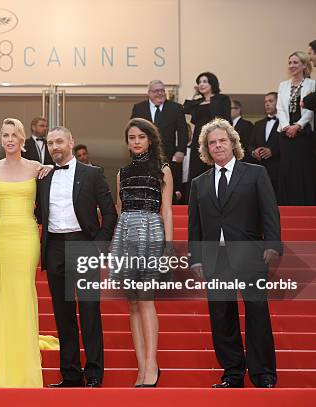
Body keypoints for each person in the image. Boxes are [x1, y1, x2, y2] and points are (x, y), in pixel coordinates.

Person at [188, 118, 281, 389]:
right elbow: (195, 225)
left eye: (222, 141)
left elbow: (269, 213)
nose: (218, 146)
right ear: (206, 148)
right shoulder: (198, 183)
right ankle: (232, 373)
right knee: (221, 315)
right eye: (212, 143)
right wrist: (195, 257)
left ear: (233, 143)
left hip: (251, 255)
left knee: (257, 312)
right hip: (215, 259)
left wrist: (272, 245)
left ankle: (263, 374)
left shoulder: (255, 173)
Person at [36, 126, 117, 388]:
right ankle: (70, 374)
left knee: (90, 312)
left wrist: (98, 247)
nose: (55, 147)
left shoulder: (92, 174)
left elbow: (110, 214)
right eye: (50, 143)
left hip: (84, 244)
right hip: (54, 246)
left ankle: (94, 373)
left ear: (71, 142)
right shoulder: (43, 177)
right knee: (63, 314)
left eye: (59, 141)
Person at [0, 118, 53, 388]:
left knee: (21, 292)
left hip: (25, 237)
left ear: (23, 140)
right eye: (5, 135)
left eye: (14, 135)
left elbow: (57, 180)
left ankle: (22, 366)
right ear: (1, 139)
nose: (9, 139)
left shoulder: (37, 167)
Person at [109, 118, 173, 387]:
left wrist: (169, 247)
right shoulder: (121, 172)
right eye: (131, 137)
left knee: (145, 300)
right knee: (132, 303)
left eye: (141, 137)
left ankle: (151, 365)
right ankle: (140, 367)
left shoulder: (163, 169)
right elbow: (119, 209)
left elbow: (167, 210)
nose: (136, 141)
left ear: (150, 139)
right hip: (126, 236)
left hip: (151, 233)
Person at [131, 80, 188, 203]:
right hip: (144, 156)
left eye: (162, 90)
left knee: (168, 191)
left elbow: (183, 131)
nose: (160, 93)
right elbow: (132, 130)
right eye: (156, 91)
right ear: (149, 93)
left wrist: (181, 151)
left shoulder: (175, 108)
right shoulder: (139, 108)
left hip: (168, 156)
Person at [276, 51, 316, 205]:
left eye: (295, 62)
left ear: (304, 65)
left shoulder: (312, 84)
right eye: (290, 62)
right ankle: (286, 205)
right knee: (287, 169)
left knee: (303, 169)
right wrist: (287, 126)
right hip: (285, 133)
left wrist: (298, 126)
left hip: (304, 133)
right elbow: (280, 108)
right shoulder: (283, 85)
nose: (291, 65)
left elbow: (311, 110)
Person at [183, 72, 231, 189]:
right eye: (199, 82)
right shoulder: (198, 102)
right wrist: (194, 94)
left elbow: (227, 120)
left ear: (212, 83)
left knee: (213, 167)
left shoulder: (222, 99)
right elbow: (185, 108)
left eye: (205, 81)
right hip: (198, 139)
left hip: (215, 137)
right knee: (197, 169)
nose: (201, 84)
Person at [247, 93, 281, 196]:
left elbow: (288, 146)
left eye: (270, 101)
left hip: (279, 171)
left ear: (278, 103)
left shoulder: (285, 123)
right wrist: (254, 152)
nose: (267, 104)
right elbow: (250, 145)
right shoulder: (258, 124)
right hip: (260, 170)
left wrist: (273, 152)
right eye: (265, 102)